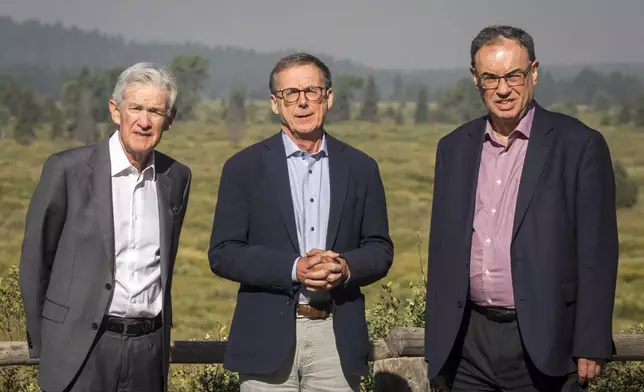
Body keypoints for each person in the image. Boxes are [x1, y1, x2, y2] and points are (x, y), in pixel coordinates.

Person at [424, 25, 619, 392]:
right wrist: (438, 347)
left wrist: (591, 342)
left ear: (533, 72)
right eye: (490, 78)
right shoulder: (453, 148)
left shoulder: (580, 145)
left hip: (546, 339)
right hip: (469, 341)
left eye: (513, 75)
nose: (502, 89)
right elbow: (444, 251)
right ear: (475, 79)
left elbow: (598, 253)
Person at [208, 52, 393, 391]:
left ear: (329, 98)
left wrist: (346, 267)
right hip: (266, 338)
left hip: (336, 339)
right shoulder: (243, 168)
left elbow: (380, 250)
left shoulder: (362, 168)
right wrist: (295, 268)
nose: (302, 102)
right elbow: (223, 252)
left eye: (312, 91)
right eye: (290, 93)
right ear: (275, 104)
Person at [19, 62, 192, 392]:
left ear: (169, 121)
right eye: (135, 108)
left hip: (148, 351)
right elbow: (35, 261)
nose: (144, 121)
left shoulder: (177, 177)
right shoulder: (67, 169)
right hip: (80, 350)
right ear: (115, 111)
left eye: (155, 111)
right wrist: (47, 347)